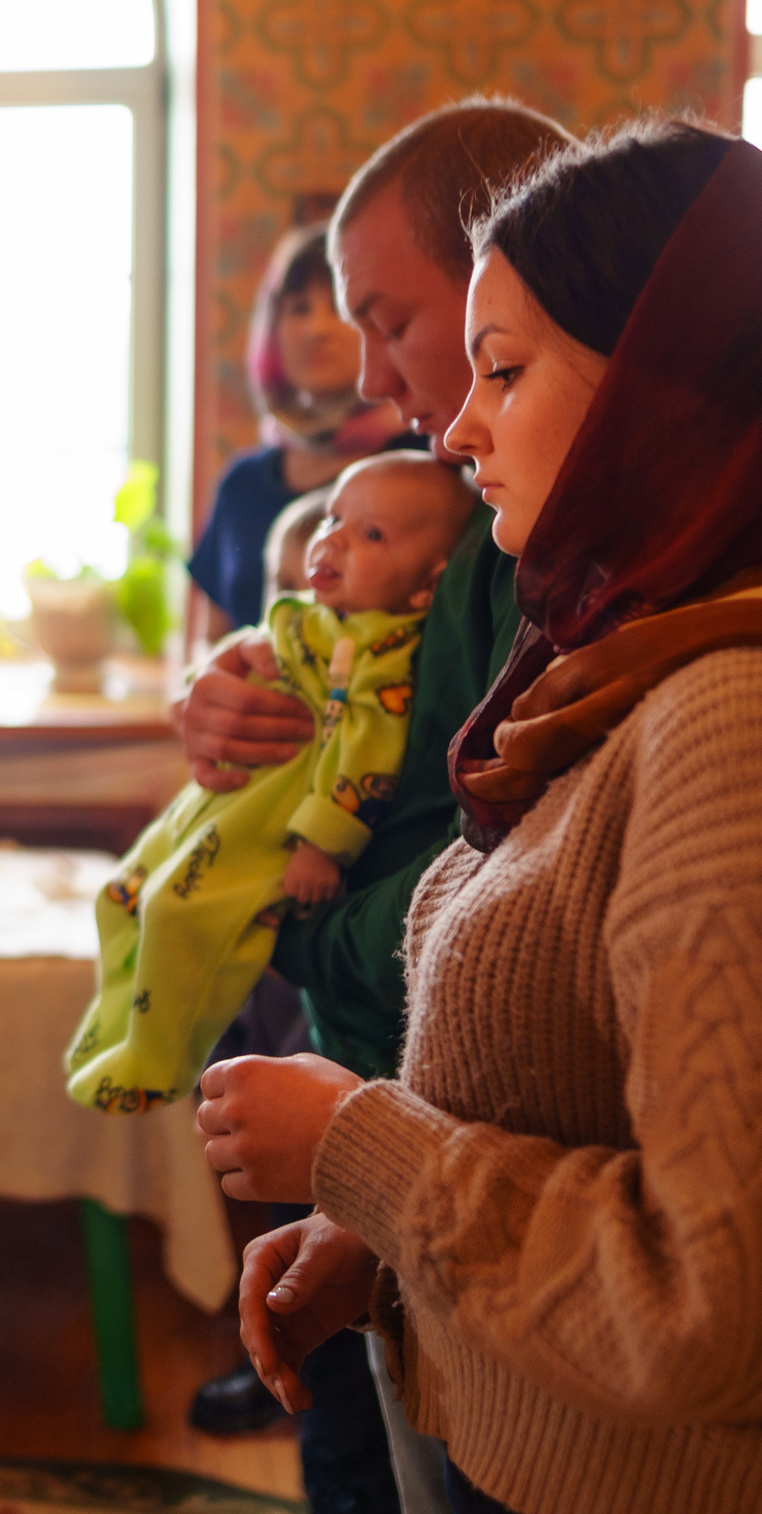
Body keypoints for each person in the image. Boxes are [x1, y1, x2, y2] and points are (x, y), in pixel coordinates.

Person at [198, 121, 762, 1514]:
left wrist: (365, 1147)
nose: (453, 422)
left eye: (503, 369)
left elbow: (734, 1304)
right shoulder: (649, 661)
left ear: (668, 389)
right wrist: (379, 1228)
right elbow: (579, 1082)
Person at [174, 99, 572, 1510]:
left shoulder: (526, 546)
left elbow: (494, 874)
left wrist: (304, 936)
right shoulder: (463, 508)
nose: (394, 377)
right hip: (401, 1125)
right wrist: (226, 707)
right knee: (371, 1443)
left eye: (395, 319)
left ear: (513, 268)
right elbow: (322, 702)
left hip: (475, 1164)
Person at [69, 453, 475, 1112]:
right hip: (216, 802)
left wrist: (323, 845)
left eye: (370, 535)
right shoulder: (306, 618)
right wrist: (229, 664)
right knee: (122, 895)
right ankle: (111, 1027)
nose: (334, 537)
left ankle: (156, 1061)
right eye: (336, 517)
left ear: (427, 585)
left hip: (273, 823)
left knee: (177, 909)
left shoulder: (386, 659)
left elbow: (364, 757)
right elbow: (256, 646)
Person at [188, 223, 421, 642]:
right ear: (272, 329)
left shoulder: (422, 462)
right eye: (298, 308)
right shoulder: (242, 484)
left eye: (338, 305)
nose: (317, 328)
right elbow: (207, 646)